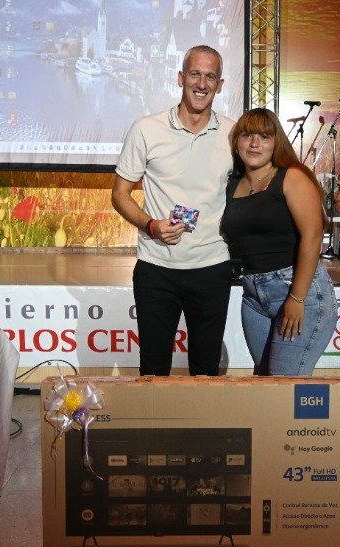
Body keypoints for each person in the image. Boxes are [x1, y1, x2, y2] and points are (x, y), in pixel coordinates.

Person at [111, 45, 235, 376]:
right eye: (194, 74)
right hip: (156, 268)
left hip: (212, 267)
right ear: (181, 78)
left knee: (206, 371)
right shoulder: (146, 129)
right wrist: (151, 225)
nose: (201, 83)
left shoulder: (233, 134)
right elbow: (120, 195)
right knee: (153, 370)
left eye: (210, 76)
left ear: (220, 84)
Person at [220, 108, 338, 376]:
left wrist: (297, 298)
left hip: (296, 290)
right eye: (247, 135)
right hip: (253, 295)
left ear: (276, 142)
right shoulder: (233, 184)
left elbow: (313, 237)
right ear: (236, 141)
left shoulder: (291, 176)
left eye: (264, 137)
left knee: (284, 384)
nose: (254, 143)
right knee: (265, 382)